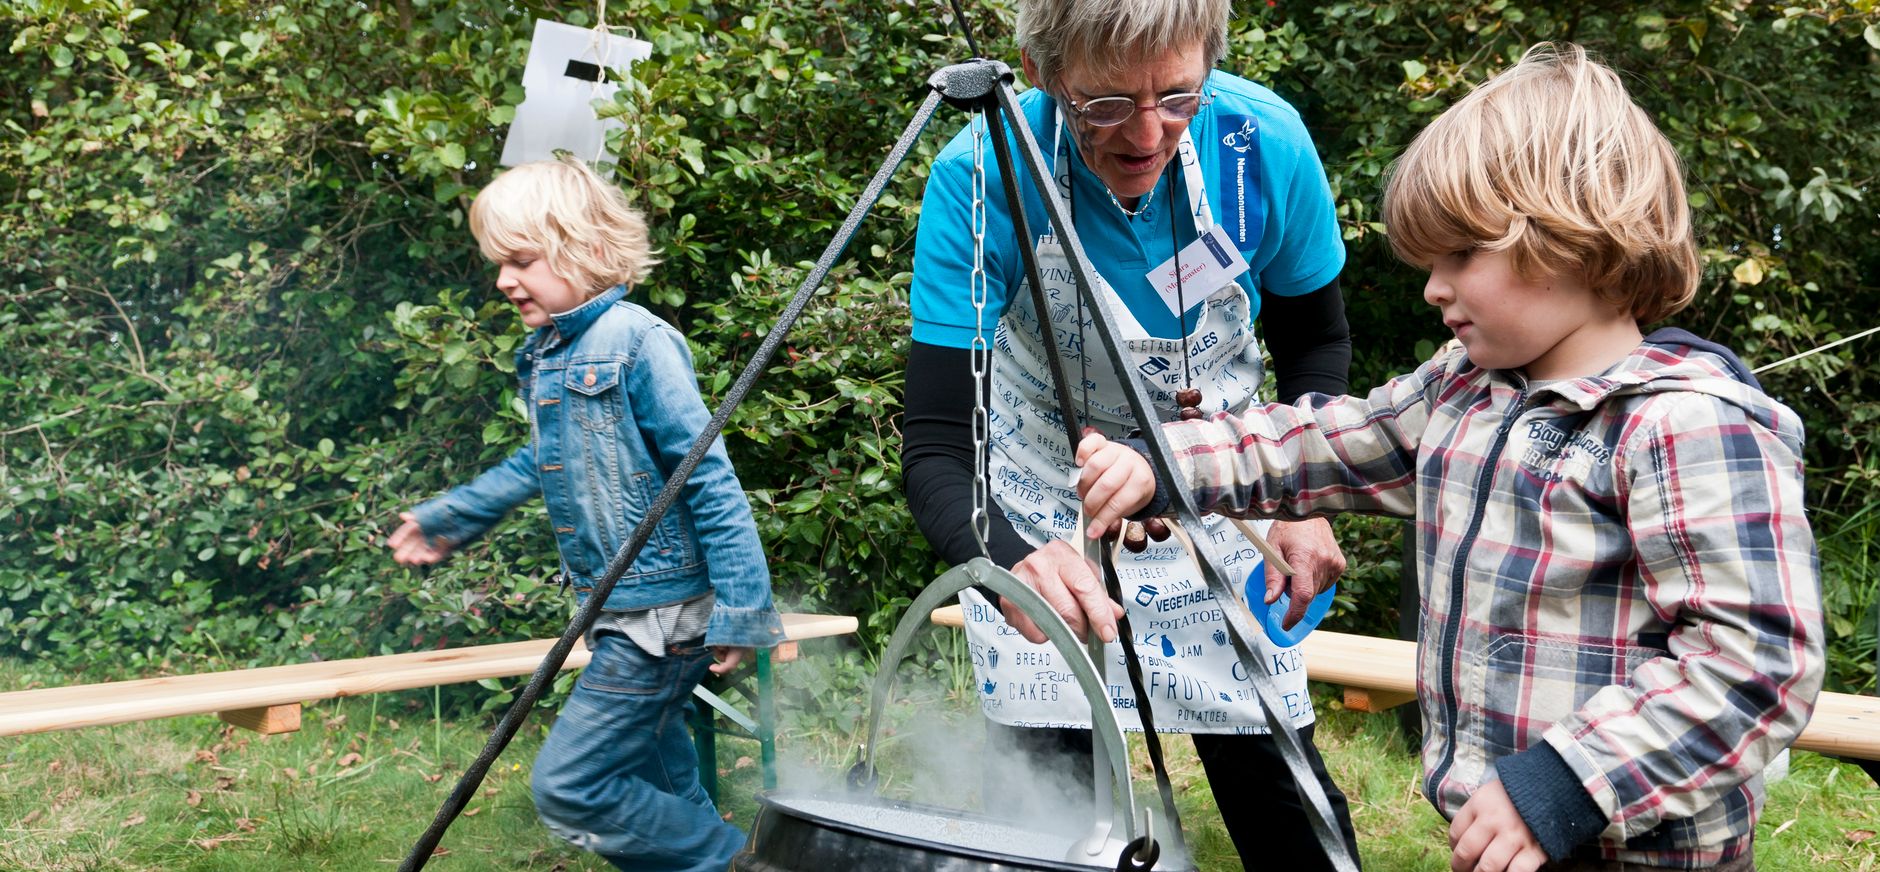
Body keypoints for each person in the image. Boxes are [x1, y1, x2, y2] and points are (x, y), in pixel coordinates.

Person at [1076, 43, 1824, 872]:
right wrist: (1163, 462)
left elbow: (1757, 664)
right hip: (1501, 839)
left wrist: (1566, 785)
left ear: (1573, 237)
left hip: (1630, 845)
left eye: (1462, 255)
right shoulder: (1468, 389)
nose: (1434, 287)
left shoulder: (1684, 426)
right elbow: (1325, 441)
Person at [902, 0, 1359, 864]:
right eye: (1105, 105)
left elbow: (1316, 343)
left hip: (1230, 493)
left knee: (1289, 814)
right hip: (1044, 510)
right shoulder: (984, 175)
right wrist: (1010, 562)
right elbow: (934, 442)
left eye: (1178, 96)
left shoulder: (1260, 145)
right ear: (1042, 74)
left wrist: (1301, 499)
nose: (1147, 136)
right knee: (1055, 830)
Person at [385, 157, 783, 872]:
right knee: (666, 785)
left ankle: (741, 865)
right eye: (498, 263)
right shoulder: (547, 356)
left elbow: (710, 483)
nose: (504, 280)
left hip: (663, 620)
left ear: (589, 250)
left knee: (571, 787)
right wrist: (452, 516)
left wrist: (745, 613)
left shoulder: (639, 343)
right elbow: (538, 461)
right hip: (617, 611)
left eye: (521, 260)